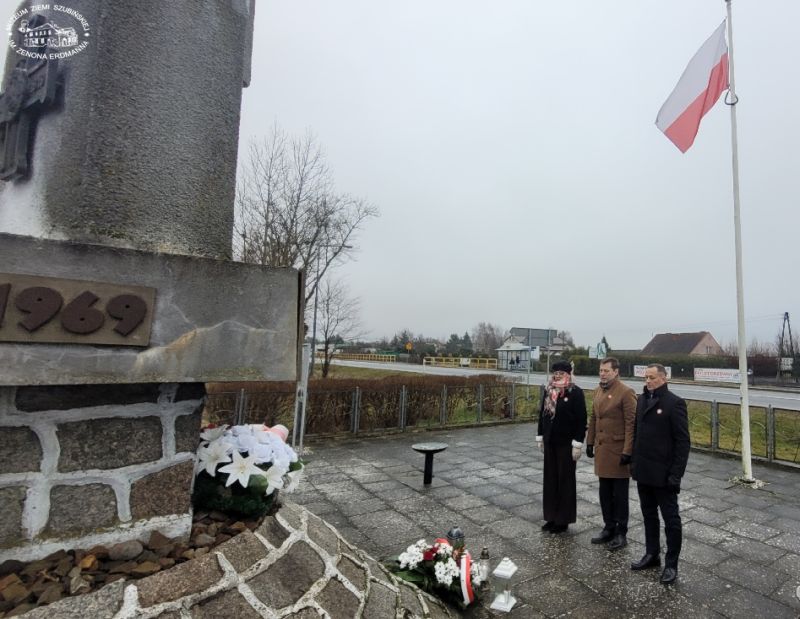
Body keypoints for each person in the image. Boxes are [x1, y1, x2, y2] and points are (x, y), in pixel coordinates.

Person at [630, 363, 690, 585]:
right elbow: (637, 432)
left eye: (652, 377)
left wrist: (676, 475)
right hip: (644, 471)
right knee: (648, 515)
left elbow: (683, 442)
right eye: (645, 377)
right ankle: (651, 553)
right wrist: (634, 462)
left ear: (664, 378)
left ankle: (671, 564)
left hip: (664, 475)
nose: (648, 381)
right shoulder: (642, 400)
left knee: (671, 520)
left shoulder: (674, 403)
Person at [586, 357, 637, 551]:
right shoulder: (598, 390)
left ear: (616, 372)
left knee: (620, 495)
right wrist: (589, 442)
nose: (602, 374)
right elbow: (593, 418)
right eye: (601, 370)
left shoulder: (626, 392)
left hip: (618, 451)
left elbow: (631, 424)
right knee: (605, 492)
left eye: (606, 371)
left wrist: (628, 451)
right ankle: (608, 527)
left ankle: (621, 533)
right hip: (602, 450)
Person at [536, 361, 587, 534]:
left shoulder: (575, 392)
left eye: (561, 373)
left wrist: (578, 443)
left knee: (565, 481)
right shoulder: (549, 390)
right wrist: (540, 435)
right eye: (555, 372)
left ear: (568, 374)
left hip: (566, 443)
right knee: (550, 480)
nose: (557, 375)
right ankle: (551, 516)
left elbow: (581, 419)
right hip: (550, 441)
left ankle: (563, 520)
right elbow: (542, 414)